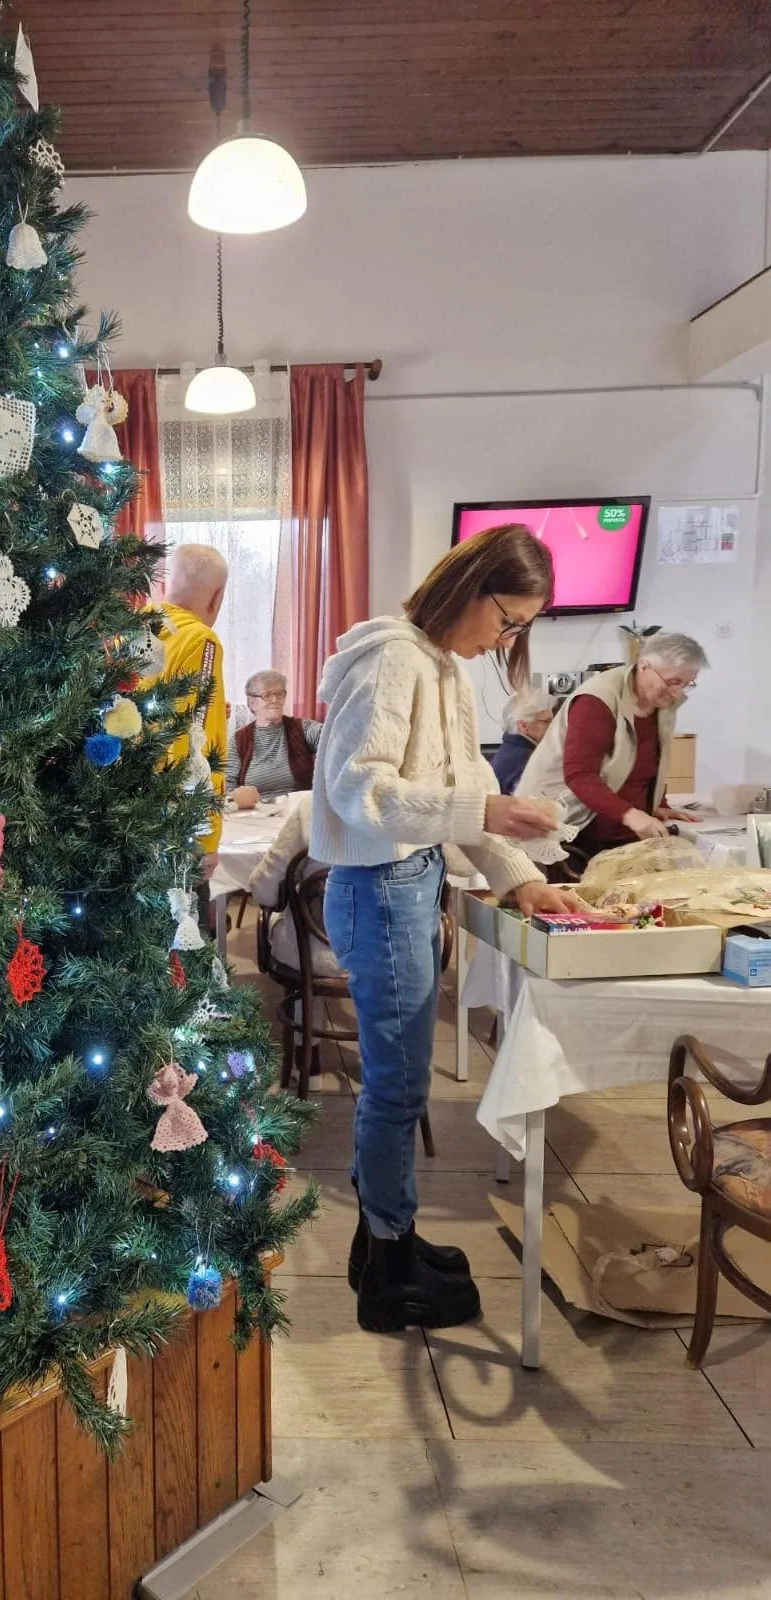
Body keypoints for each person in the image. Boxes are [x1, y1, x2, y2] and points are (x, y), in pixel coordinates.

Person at [310, 523, 580, 1334]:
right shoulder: (394, 658)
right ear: (470, 589)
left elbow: (464, 790)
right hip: (380, 888)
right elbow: (359, 790)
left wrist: (520, 875)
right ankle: (388, 1267)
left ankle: (382, 1238)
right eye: (507, 620)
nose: (506, 640)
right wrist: (487, 812)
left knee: (401, 1085)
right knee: (396, 1088)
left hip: (405, 882)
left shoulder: (440, 666)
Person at [515, 632, 707, 863]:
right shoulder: (596, 701)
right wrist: (632, 815)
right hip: (574, 832)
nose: (677, 692)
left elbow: (650, 760)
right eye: (673, 682)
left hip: (620, 832)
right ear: (644, 666)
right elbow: (580, 776)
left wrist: (658, 803)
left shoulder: (661, 702)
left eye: (687, 684)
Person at [153, 543, 230, 877]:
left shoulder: (133, 629)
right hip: (174, 825)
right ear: (217, 597)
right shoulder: (201, 640)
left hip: (124, 807)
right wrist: (206, 837)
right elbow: (198, 742)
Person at [247, 793, 343, 976]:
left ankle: (305, 996)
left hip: (316, 954)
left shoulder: (314, 807)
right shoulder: (402, 810)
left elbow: (264, 890)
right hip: (392, 958)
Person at [226, 670, 322, 807]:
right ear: (252, 703)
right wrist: (237, 798)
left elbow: (332, 737)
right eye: (267, 695)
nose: (275, 700)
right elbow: (227, 789)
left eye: (279, 694)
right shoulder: (238, 740)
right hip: (255, 814)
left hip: (298, 810)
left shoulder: (302, 728)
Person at [490, 685, 554, 794]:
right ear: (523, 725)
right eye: (547, 722)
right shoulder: (526, 760)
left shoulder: (509, 752)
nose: (553, 726)